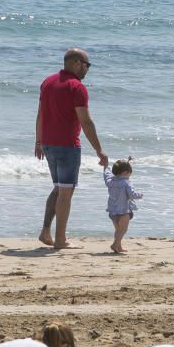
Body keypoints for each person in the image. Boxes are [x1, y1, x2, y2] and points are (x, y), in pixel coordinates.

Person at [35, 48, 109, 249]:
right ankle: (60, 240)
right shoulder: (77, 87)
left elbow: (40, 115)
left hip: (49, 144)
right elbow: (86, 122)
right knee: (66, 193)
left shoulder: (47, 82)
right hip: (67, 145)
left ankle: (45, 231)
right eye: (87, 65)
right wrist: (99, 150)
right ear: (76, 63)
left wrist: (39, 142)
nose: (88, 69)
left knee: (59, 189)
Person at [103, 157, 143, 254]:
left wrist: (106, 166)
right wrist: (140, 195)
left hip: (112, 211)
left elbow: (106, 174)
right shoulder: (126, 183)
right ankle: (115, 244)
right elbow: (131, 195)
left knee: (118, 230)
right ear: (125, 172)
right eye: (130, 173)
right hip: (123, 211)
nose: (130, 176)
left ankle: (119, 247)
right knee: (123, 229)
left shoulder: (110, 181)